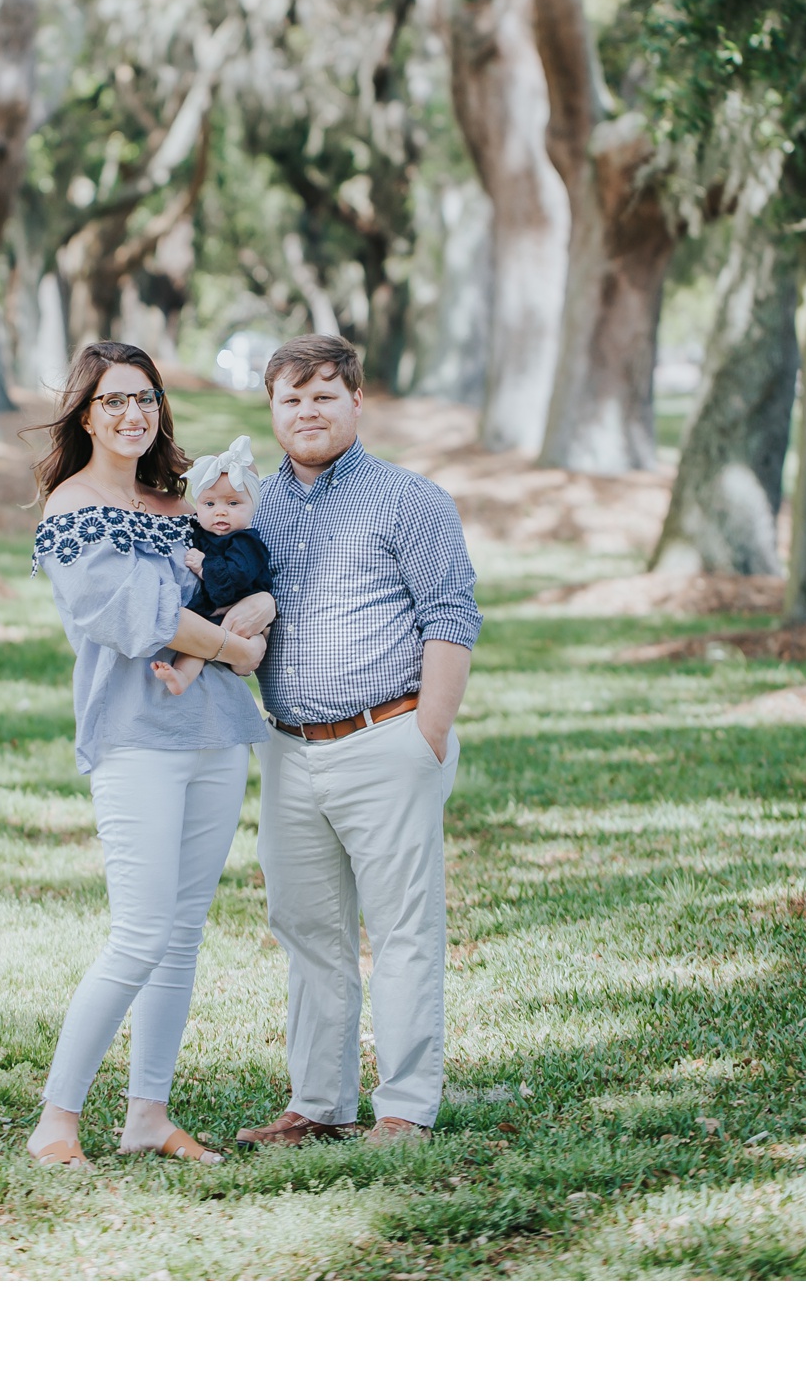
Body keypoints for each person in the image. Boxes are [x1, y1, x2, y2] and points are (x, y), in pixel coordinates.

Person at [25, 342, 275, 1170]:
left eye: (146, 400)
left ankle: (146, 1115)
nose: (133, 415)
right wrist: (235, 651)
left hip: (211, 735)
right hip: (136, 738)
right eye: (113, 401)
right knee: (137, 934)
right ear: (85, 414)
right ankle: (57, 1123)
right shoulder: (74, 508)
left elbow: (232, 581)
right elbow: (134, 615)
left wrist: (249, 616)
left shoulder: (175, 501)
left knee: (180, 936)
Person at [230, 334, 482, 1149]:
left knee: (402, 931)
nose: (306, 411)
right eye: (290, 398)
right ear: (271, 410)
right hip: (287, 749)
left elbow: (451, 616)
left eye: (323, 395)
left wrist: (427, 737)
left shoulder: (409, 501)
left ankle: (404, 1109)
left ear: (355, 402)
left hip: (388, 738)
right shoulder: (252, 507)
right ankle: (320, 1104)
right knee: (307, 930)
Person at [151, 436, 275, 698]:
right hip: (212, 612)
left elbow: (238, 576)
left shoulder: (246, 542)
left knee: (238, 641)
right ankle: (181, 677)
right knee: (198, 641)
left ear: (253, 506)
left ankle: (231, 666)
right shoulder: (202, 532)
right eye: (210, 504)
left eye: (233, 503)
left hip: (242, 609)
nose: (220, 512)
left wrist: (205, 566)